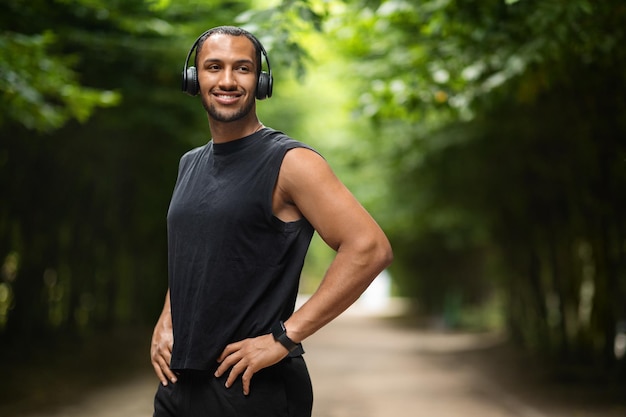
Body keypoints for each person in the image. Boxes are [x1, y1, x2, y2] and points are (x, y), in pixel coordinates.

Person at [150, 25, 393, 417]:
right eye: (214, 67)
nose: (227, 80)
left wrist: (283, 338)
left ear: (260, 81)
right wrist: (167, 320)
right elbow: (194, 251)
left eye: (242, 69)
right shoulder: (189, 163)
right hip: (178, 386)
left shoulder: (291, 163)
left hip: (250, 390)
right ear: (194, 78)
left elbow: (369, 247)